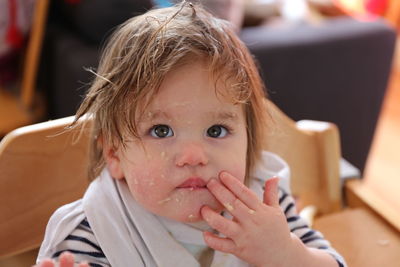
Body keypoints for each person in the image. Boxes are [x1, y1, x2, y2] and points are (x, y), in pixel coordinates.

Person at [36, 2, 346, 267]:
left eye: (216, 130)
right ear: (115, 154)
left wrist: (287, 254)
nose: (194, 156)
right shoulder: (91, 232)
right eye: (160, 131)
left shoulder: (262, 205)